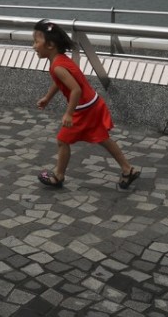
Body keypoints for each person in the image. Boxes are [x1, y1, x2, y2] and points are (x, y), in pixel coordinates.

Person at [31, 20, 141, 190]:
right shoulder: (60, 60)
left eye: (36, 42)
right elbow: (61, 83)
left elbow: (75, 90)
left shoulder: (58, 66)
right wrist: (47, 97)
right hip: (93, 103)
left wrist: (68, 113)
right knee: (103, 138)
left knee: (62, 140)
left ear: (50, 45)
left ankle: (58, 176)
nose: (34, 46)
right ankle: (128, 169)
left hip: (84, 109)